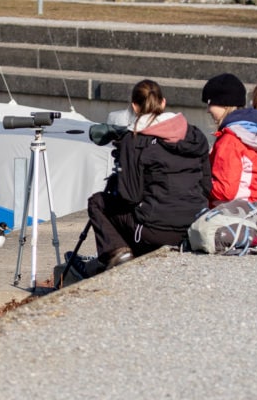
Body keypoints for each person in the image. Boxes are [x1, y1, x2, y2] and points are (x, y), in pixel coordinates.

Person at [87, 79, 212, 272]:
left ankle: (120, 254)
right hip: (195, 226)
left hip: (155, 231)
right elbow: (206, 187)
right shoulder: (195, 136)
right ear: (163, 103)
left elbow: (130, 196)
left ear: (135, 107)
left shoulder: (134, 140)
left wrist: (123, 167)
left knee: (97, 202)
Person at [201, 73, 257, 207]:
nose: (207, 110)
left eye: (209, 103)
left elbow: (226, 191)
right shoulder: (254, 132)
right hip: (253, 207)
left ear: (224, 104)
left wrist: (199, 182)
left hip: (230, 211)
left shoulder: (230, 140)